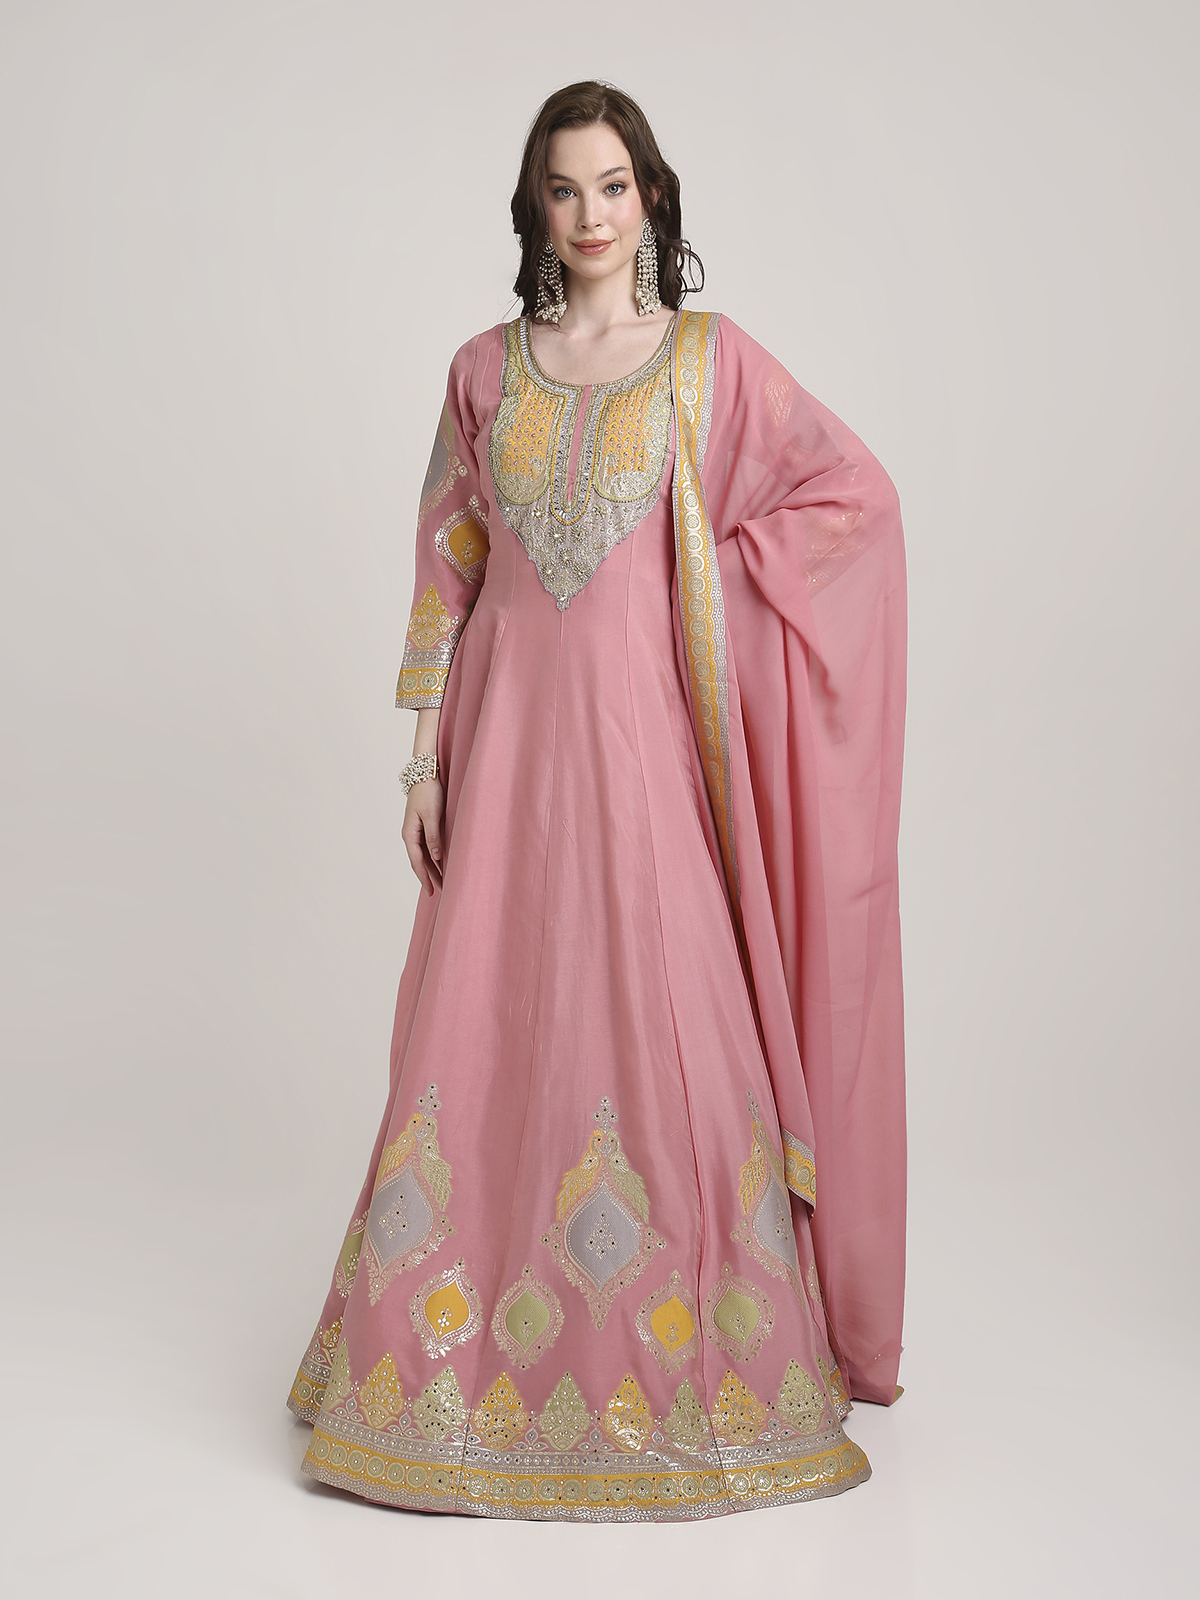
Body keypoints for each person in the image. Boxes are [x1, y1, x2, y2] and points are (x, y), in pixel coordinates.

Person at [287, 79, 907, 1523]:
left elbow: (850, 498)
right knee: (484, 1014)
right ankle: (447, 1365)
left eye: (613, 187)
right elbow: (448, 565)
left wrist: (716, 595)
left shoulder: (708, 365)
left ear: (652, 197)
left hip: (641, 753)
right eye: (564, 190)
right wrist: (424, 757)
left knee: (660, 1007)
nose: (591, 216)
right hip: (507, 749)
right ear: (534, 208)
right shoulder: (481, 373)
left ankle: (685, 1357)